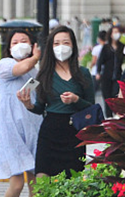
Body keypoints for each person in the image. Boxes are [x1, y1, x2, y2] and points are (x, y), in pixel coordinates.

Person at [17, 26, 95, 179]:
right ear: (51, 48)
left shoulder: (83, 73)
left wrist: (76, 100)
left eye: (66, 43)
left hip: (74, 131)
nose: (61, 48)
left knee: (72, 181)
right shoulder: (44, 74)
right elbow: (40, 107)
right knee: (42, 178)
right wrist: (28, 105)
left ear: (73, 45)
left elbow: (91, 107)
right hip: (50, 130)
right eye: (56, 43)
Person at [0, 30, 42, 197]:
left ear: (32, 45)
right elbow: (20, 69)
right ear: (9, 47)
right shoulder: (6, 64)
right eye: (15, 42)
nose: (19, 44)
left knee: (35, 183)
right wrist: (36, 57)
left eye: (24, 41)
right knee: (17, 182)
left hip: (32, 129)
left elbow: (35, 96)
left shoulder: (35, 72)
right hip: (11, 132)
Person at [97, 28, 123, 117]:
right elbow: (100, 60)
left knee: (115, 95)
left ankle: (116, 115)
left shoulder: (122, 46)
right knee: (107, 97)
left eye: (118, 32)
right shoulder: (106, 47)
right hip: (106, 75)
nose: (117, 34)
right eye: (115, 32)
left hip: (118, 75)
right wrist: (98, 72)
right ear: (111, 34)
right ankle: (108, 117)